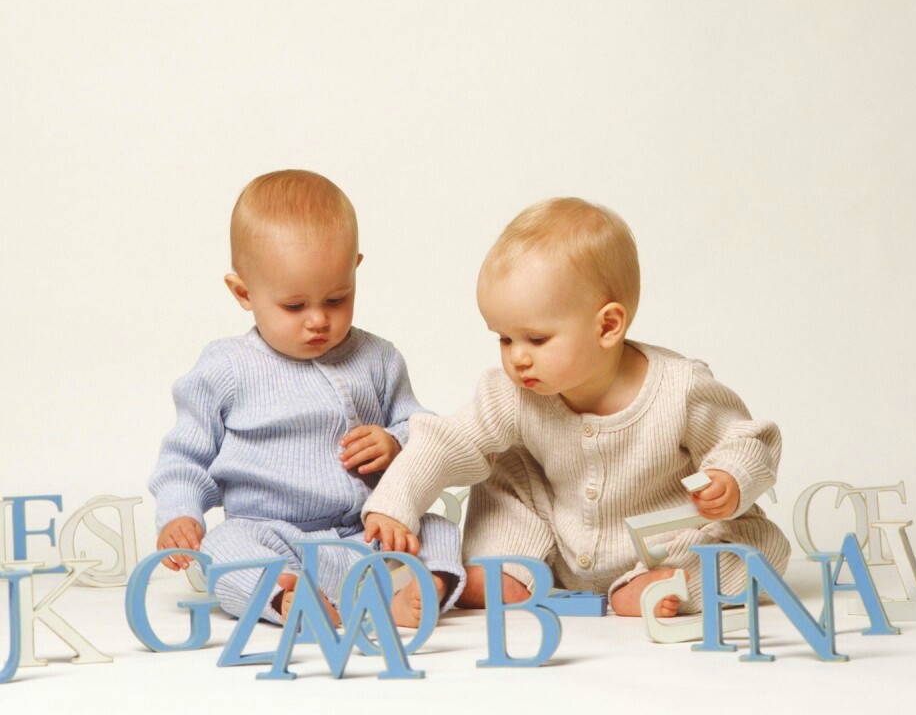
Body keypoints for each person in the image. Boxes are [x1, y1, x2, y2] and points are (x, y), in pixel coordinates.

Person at [363, 197, 789, 617]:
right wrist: (395, 503)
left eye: (536, 339)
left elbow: (746, 440)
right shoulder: (511, 393)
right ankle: (506, 570)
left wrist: (730, 478)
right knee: (504, 469)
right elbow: (446, 440)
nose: (517, 357)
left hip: (668, 543)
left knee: (759, 550)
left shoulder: (680, 388)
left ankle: (661, 584)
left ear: (607, 326)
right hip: (556, 545)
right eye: (505, 339)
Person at [149, 169, 464, 627]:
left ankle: (420, 588)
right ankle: (286, 597)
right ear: (243, 292)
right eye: (294, 306)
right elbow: (185, 456)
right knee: (222, 547)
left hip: (365, 531)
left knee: (436, 527)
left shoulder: (378, 358)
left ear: (355, 270)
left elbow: (426, 432)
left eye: (336, 299)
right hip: (271, 536)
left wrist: (395, 442)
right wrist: (180, 512)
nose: (318, 320)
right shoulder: (227, 368)